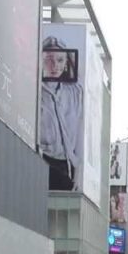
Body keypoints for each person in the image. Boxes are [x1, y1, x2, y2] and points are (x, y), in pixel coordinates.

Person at [40, 36, 84, 192]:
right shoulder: (34, 90)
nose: (55, 66)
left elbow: (79, 135)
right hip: (42, 160)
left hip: (67, 165)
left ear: (66, 62)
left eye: (60, 60)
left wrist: (78, 169)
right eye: (49, 60)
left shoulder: (74, 92)